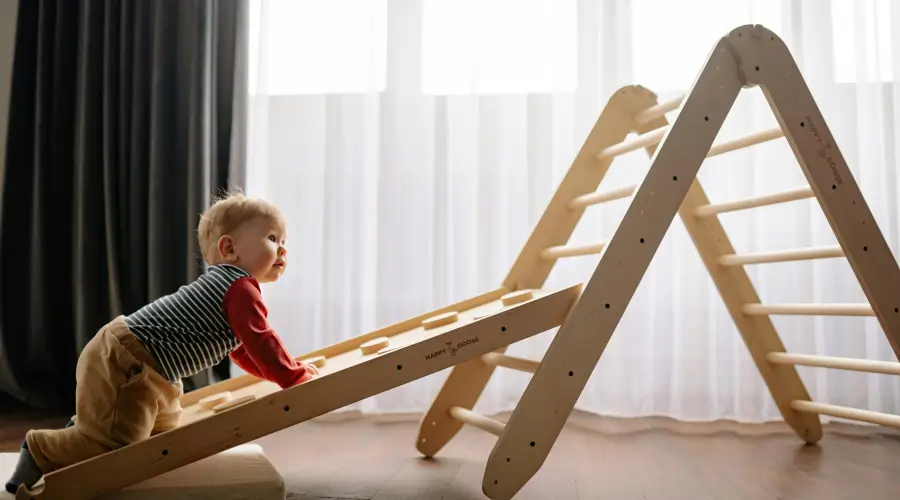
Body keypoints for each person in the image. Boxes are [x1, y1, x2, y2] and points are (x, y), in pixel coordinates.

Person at [6, 193, 318, 493]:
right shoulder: (239, 288)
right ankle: (40, 449)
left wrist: (283, 375)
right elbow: (262, 341)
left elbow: (243, 348)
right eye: (273, 239)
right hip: (127, 361)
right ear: (228, 248)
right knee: (117, 446)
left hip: (152, 371)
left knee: (165, 436)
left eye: (284, 242)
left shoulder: (228, 289)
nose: (282, 250)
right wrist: (293, 376)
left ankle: (88, 428)